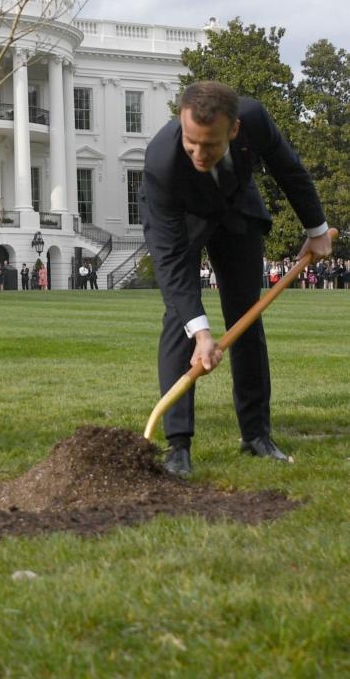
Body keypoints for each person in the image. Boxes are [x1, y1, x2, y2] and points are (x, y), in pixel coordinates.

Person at [141, 81, 331, 477]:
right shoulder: (161, 161)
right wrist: (201, 333)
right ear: (181, 122)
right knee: (180, 319)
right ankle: (178, 446)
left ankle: (256, 434)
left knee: (246, 318)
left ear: (234, 130)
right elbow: (171, 260)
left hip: (236, 211)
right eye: (192, 142)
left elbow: (289, 171)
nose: (198, 153)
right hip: (184, 220)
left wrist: (317, 230)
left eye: (210, 145)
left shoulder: (256, 119)